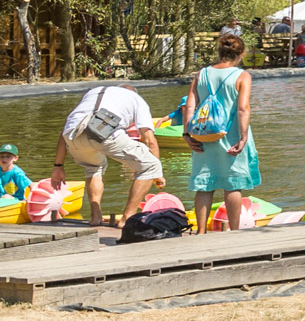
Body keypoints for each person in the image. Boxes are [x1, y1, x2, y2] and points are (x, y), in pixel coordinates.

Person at [53, 80, 164, 225]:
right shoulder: (137, 100)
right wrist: (156, 174)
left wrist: (58, 166)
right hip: (104, 131)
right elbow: (149, 140)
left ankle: (95, 216)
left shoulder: (94, 91)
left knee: (93, 167)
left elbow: (63, 133)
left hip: (73, 135)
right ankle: (127, 218)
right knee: (151, 166)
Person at [182, 31, 261, 234]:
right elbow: (243, 108)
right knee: (232, 185)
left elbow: (190, 105)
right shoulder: (242, 76)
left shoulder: (202, 74)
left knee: (204, 184)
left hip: (203, 134)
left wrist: (186, 134)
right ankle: (234, 232)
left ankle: (201, 231)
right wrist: (243, 137)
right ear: (241, 54)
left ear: (220, 52)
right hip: (231, 135)